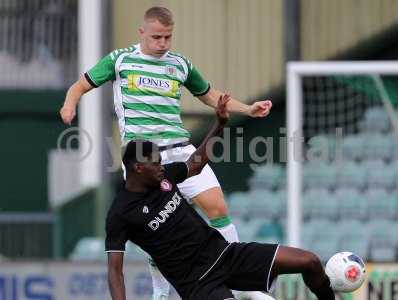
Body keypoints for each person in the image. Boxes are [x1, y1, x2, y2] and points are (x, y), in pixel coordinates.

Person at [60, 6, 272, 299]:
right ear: (142, 32)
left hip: (180, 149)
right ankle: (160, 292)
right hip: (145, 160)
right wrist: (69, 105)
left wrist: (248, 109)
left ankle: (239, 281)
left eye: (168, 37)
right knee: (158, 229)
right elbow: (80, 85)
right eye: (157, 37)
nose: (163, 44)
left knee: (218, 208)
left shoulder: (180, 63)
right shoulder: (120, 60)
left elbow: (210, 96)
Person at [106, 94, 335, 300]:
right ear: (137, 167)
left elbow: (197, 161)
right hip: (198, 284)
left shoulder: (166, 177)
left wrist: (221, 123)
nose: (161, 166)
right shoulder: (121, 213)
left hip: (225, 254)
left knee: (310, 262)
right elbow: (115, 271)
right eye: (155, 163)